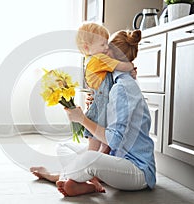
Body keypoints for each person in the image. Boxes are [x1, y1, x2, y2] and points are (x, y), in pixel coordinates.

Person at [57, 29, 156, 196]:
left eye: (105, 46)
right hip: (117, 161)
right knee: (63, 147)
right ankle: (82, 180)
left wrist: (82, 119)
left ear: (110, 55)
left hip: (137, 170)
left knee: (88, 158)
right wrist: (95, 100)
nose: (102, 50)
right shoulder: (115, 84)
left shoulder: (122, 88)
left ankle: (66, 177)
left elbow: (114, 141)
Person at [76, 22, 134, 154]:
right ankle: (86, 168)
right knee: (97, 144)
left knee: (98, 143)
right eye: (102, 44)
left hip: (100, 104)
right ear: (87, 47)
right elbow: (122, 66)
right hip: (102, 108)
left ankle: (93, 167)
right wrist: (131, 65)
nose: (106, 47)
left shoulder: (89, 59)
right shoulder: (99, 59)